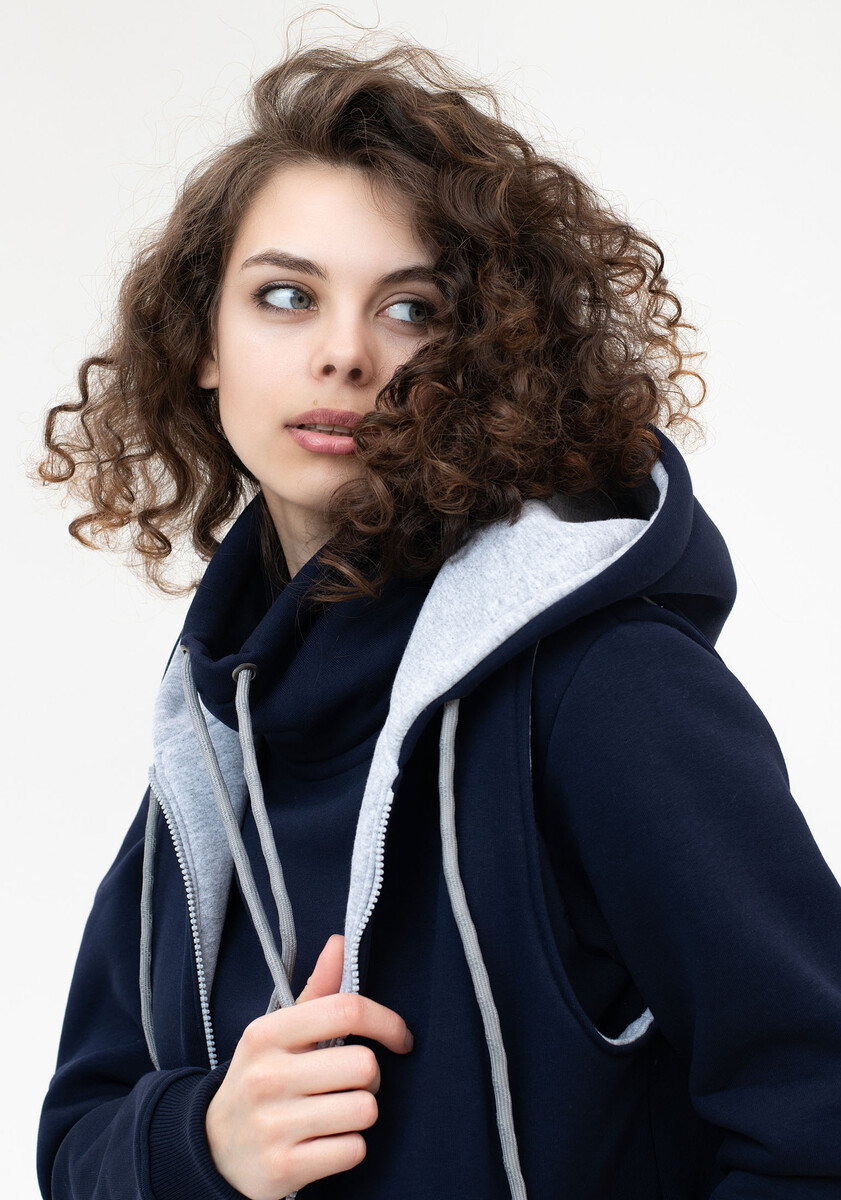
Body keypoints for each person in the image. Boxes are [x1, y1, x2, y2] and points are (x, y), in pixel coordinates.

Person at [34, 34, 841, 1200]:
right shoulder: (217, 737)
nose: (344, 354)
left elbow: (816, 1116)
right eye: (285, 296)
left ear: (488, 358)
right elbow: (76, 1141)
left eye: (409, 308)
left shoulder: (604, 686)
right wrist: (204, 1140)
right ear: (203, 343)